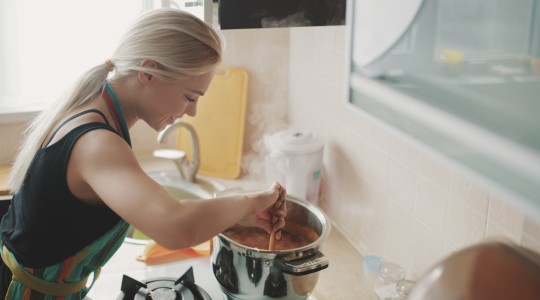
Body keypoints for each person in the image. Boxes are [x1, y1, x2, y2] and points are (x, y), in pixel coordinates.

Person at [0, 8, 286, 299]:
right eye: (190, 97)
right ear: (148, 72)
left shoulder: (95, 109)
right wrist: (251, 202)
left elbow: (149, 210)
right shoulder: (96, 143)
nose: (192, 112)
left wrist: (240, 216)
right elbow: (176, 226)